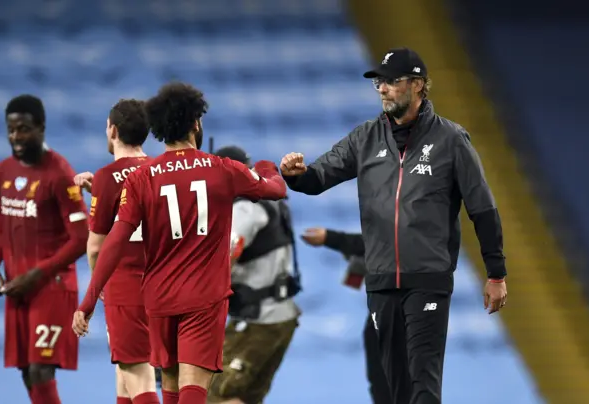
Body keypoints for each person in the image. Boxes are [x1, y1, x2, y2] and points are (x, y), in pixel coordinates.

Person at [279, 48, 508, 404]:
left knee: (424, 386)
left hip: (428, 279)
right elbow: (318, 177)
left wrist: (496, 273)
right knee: (396, 390)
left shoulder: (451, 139)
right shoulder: (365, 138)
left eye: (391, 81)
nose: (383, 89)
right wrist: (295, 175)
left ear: (418, 85)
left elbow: (483, 208)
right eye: (379, 83)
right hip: (382, 281)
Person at [72, 82, 288, 404]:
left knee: (171, 386)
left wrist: (87, 303)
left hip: (159, 299)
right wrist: (268, 167)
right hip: (204, 299)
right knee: (194, 391)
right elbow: (276, 189)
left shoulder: (143, 177)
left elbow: (113, 242)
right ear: (196, 123)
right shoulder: (223, 169)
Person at [0, 95, 88, 404]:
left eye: (24, 129)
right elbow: (1, 222)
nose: (16, 137)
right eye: (11, 129)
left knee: (42, 370)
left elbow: (81, 238)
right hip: (19, 286)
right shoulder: (3, 170)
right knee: (28, 373)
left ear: (41, 128)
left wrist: (38, 274)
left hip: (51, 286)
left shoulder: (59, 173)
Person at [73, 99, 157, 404]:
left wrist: (100, 283)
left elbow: (96, 247)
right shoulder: (160, 169)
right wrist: (98, 193)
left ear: (113, 130)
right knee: (125, 378)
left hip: (126, 287)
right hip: (162, 284)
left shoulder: (109, 176)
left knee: (138, 375)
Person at [208, 146, 301, 404]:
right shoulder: (270, 200)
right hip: (279, 316)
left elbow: (226, 256)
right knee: (245, 397)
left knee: (215, 393)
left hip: (258, 320)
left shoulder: (244, 209)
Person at [301, 228, 390, 404]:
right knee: (383, 385)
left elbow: (392, 242)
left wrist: (332, 238)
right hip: (386, 309)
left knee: (394, 385)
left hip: (400, 311)